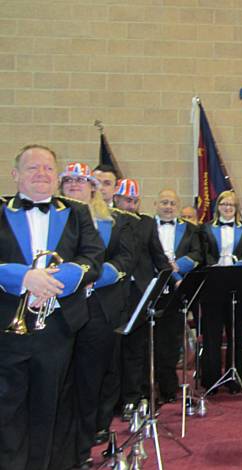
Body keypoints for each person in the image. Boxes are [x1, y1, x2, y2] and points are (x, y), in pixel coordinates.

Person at [0, 145, 104, 470]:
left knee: (50, 407)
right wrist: (25, 277)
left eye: (48, 168)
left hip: (56, 326)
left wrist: (56, 279)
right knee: (7, 407)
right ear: (16, 175)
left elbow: (93, 258)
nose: (41, 174)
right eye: (33, 168)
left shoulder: (76, 212)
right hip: (7, 323)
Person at [56, 162, 135, 469]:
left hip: (98, 310)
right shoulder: (56, 217)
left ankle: (82, 446)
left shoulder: (113, 222)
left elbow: (124, 259)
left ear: (93, 186)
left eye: (81, 180)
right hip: (58, 313)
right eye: (68, 180)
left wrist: (86, 277)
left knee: (90, 381)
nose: (75, 185)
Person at [116, 179, 172, 420]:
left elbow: (158, 256)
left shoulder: (147, 223)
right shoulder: (107, 220)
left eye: (134, 201)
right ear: (116, 199)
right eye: (126, 200)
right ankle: (115, 398)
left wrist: (171, 283)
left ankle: (135, 396)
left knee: (137, 349)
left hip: (139, 293)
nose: (130, 205)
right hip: (113, 293)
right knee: (113, 350)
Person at [199, 190, 242, 392]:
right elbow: (203, 255)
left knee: (237, 335)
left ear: (236, 208)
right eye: (224, 204)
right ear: (218, 207)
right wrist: (213, 265)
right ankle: (211, 380)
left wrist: (240, 263)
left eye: (231, 205)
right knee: (211, 336)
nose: (227, 207)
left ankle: (234, 379)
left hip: (237, 288)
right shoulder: (205, 229)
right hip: (212, 288)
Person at [153, 188, 202, 403]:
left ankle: (168, 388)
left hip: (176, 289)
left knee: (171, 340)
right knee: (147, 342)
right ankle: (145, 388)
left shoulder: (190, 229)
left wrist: (177, 266)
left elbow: (197, 254)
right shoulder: (146, 227)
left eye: (172, 203)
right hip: (152, 288)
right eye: (164, 202)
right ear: (156, 204)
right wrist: (165, 267)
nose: (168, 206)